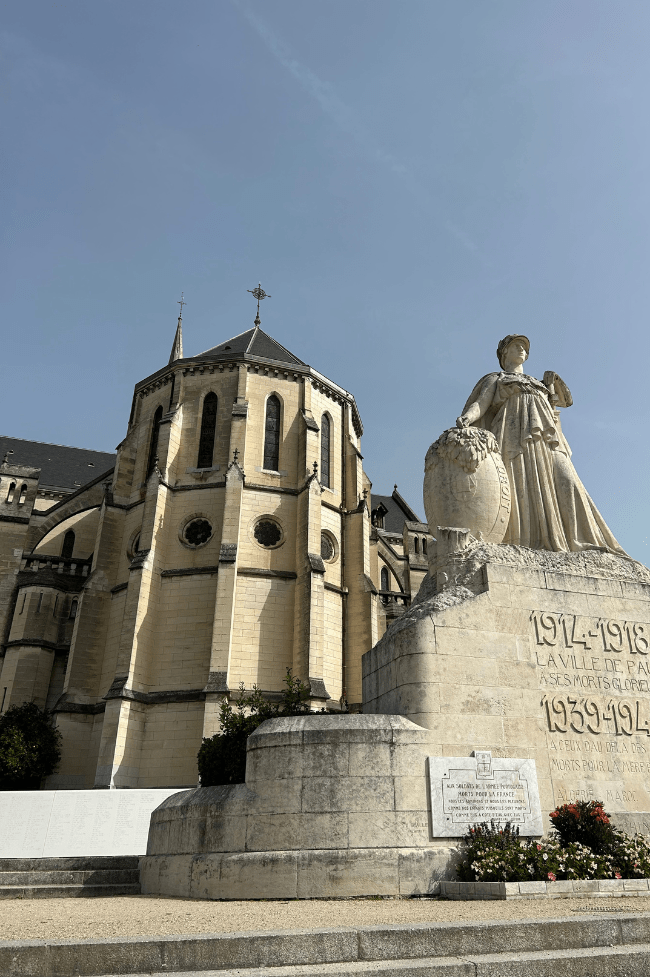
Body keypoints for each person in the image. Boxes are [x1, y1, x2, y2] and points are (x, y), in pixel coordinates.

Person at [456, 334, 625, 554]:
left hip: (547, 437)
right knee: (521, 489)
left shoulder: (538, 383)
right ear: (504, 352)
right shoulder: (496, 378)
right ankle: (523, 543)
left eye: (524, 347)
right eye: (516, 345)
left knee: (567, 480)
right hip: (513, 437)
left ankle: (578, 541)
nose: (522, 349)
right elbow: (481, 403)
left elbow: (565, 403)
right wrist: (467, 418)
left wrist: (553, 384)